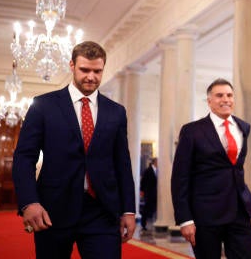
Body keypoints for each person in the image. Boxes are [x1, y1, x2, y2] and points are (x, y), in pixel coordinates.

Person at [12, 41, 136, 258]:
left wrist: (128, 209)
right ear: (72, 65)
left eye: (97, 71)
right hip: (53, 210)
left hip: (102, 210)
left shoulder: (116, 112)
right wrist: (29, 202)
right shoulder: (43, 105)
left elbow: (122, 163)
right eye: (84, 70)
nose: (91, 77)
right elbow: (24, 157)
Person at [171, 78, 251, 259]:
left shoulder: (243, 127)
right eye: (219, 96)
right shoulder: (192, 131)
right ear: (209, 101)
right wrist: (185, 219)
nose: (225, 99)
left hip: (239, 211)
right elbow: (180, 178)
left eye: (229, 95)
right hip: (205, 214)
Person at [140, 157, 158, 232]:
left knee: (153, 209)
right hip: (149, 193)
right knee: (146, 209)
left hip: (155, 194)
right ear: (155, 162)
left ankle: (152, 222)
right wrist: (143, 191)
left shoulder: (158, 171)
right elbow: (143, 181)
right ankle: (143, 224)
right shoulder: (148, 170)